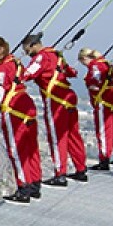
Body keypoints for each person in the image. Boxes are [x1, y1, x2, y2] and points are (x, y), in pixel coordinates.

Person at [21, 34, 88, 187]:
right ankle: (81, 169)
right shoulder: (56, 55)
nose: (26, 53)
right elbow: (70, 72)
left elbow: (27, 74)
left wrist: (14, 72)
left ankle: (60, 174)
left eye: (26, 50)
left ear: (32, 45)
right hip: (69, 98)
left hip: (56, 101)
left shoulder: (40, 58)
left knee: (58, 138)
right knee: (73, 135)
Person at [0, 35, 41, 204]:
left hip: (14, 111)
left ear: (0, 49)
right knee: (30, 148)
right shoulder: (15, 62)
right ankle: (34, 183)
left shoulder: (1, 69)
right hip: (26, 107)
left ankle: (24, 187)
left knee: (16, 150)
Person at [77, 48, 113, 170]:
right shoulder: (107, 64)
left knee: (104, 131)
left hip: (102, 101)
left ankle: (104, 159)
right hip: (112, 100)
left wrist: (92, 84)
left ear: (84, 59)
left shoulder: (95, 66)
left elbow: (95, 78)